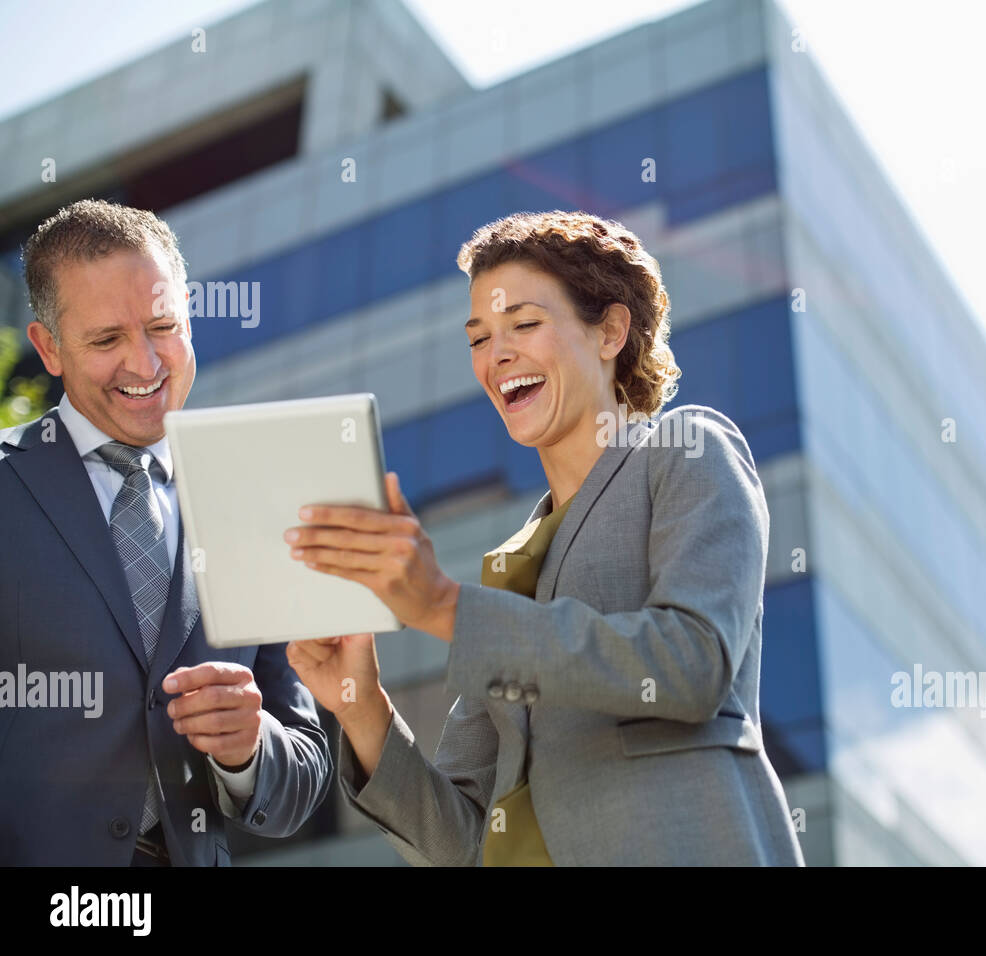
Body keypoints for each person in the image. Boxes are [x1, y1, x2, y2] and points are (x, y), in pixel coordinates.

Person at [285, 210, 804, 865]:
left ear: (611, 331)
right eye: (479, 337)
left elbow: (693, 663)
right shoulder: (511, 568)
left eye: (524, 325)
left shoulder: (686, 449)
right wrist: (359, 704)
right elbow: (465, 841)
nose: (497, 355)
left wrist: (444, 607)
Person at [0, 199, 332, 866]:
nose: (144, 363)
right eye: (105, 340)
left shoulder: (254, 506)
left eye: (162, 326)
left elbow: (302, 776)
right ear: (48, 348)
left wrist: (249, 747)